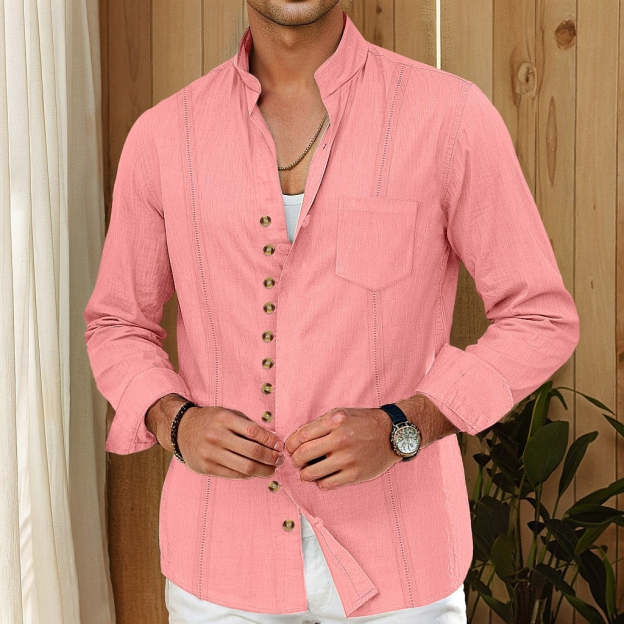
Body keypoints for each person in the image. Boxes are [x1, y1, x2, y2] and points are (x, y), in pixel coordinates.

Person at [83, 1, 580, 622]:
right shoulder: (163, 138)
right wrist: (172, 420)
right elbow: (118, 324)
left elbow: (539, 316)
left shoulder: (450, 118)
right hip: (220, 562)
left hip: (403, 562)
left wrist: (405, 426)